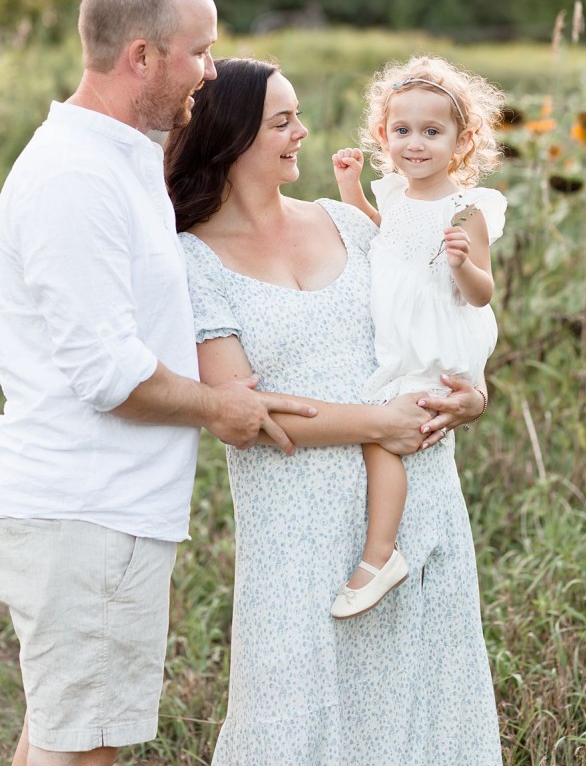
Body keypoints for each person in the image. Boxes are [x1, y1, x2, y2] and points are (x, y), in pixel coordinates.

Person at [0, 0, 323, 766]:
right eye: (198, 52)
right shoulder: (75, 176)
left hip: (101, 509)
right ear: (141, 56)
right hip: (90, 512)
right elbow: (109, 374)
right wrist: (225, 408)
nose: (210, 72)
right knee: (86, 750)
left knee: (58, 737)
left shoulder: (122, 155)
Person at [164, 56, 502, 766]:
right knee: (292, 718)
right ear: (230, 137)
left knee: (427, 713)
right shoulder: (189, 261)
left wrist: (469, 395)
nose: (303, 132)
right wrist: (379, 424)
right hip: (298, 531)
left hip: (417, 502)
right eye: (283, 121)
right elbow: (248, 414)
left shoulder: (348, 223)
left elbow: (431, 325)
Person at [330, 54, 507, 619]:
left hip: (438, 338)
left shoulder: (467, 209)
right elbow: (389, 238)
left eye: (432, 132)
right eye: (402, 130)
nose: (416, 143)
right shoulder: (397, 195)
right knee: (384, 426)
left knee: (383, 434)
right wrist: (350, 188)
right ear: (384, 135)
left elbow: (482, 293)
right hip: (402, 336)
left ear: (461, 141)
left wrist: (460, 264)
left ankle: (379, 556)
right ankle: (384, 553)